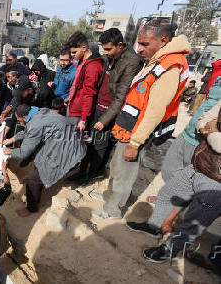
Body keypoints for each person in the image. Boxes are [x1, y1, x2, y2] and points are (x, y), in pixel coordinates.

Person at [92, 19, 190, 220]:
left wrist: (136, 143)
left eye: (145, 44)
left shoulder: (170, 66)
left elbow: (155, 111)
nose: (139, 48)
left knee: (124, 173)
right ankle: (110, 198)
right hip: (128, 125)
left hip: (136, 132)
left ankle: (112, 210)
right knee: (118, 167)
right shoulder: (159, 60)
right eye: (139, 43)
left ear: (163, 40)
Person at [127, 97, 221, 238]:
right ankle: (156, 226)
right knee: (169, 188)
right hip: (199, 152)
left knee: (196, 214)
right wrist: (209, 128)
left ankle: (171, 241)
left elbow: (218, 144)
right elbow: (202, 119)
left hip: (213, 167)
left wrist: (209, 130)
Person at [77, 28, 143, 185]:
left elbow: (121, 96)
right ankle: (81, 171)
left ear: (120, 45)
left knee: (99, 145)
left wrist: (105, 120)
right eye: (103, 49)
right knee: (87, 140)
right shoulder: (108, 57)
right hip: (96, 106)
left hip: (109, 111)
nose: (105, 52)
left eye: (108, 49)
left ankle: (92, 174)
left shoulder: (131, 61)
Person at [2, 104, 86, 217]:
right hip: (67, 140)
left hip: (67, 148)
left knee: (32, 180)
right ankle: (40, 181)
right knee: (38, 161)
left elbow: (24, 152)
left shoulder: (35, 124)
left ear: (25, 116)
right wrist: (11, 139)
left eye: (19, 119)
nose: (19, 122)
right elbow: (29, 131)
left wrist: (10, 152)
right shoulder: (40, 112)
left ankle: (31, 208)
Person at [161, 77, 221, 183]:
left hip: (204, 144)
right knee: (168, 170)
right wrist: (204, 126)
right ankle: (169, 194)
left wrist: (210, 133)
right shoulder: (218, 74)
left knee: (189, 181)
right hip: (191, 131)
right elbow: (205, 115)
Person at [65, 32, 104, 132]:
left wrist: (83, 119)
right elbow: (78, 85)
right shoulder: (83, 60)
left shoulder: (92, 67)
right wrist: (71, 98)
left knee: (71, 141)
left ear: (84, 48)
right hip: (73, 106)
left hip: (79, 113)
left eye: (74, 52)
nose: (72, 55)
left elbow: (89, 93)